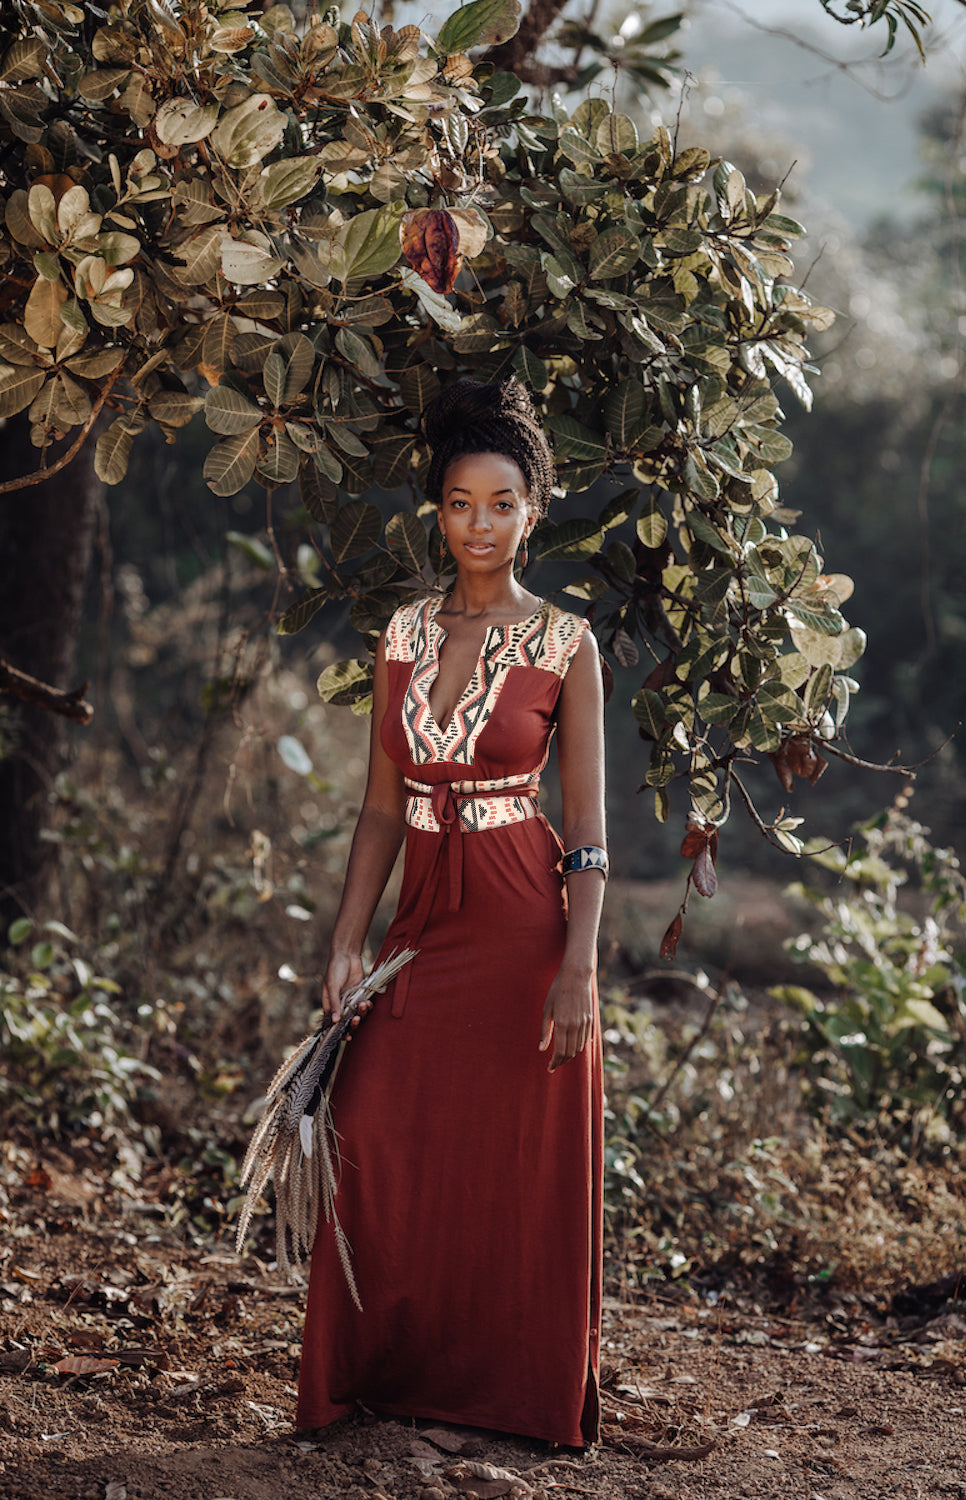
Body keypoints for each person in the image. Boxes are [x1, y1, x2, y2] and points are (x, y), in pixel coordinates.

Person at [296, 376, 607, 1448]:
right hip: (422, 912)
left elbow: (592, 830)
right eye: (461, 503)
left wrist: (580, 966)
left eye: (502, 503)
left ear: (535, 509)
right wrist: (347, 939)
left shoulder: (568, 645)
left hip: (526, 919)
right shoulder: (405, 632)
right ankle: (380, 1376)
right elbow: (380, 808)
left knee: (516, 1158)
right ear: (438, 509)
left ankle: (507, 1400)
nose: (480, 524)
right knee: (375, 1126)